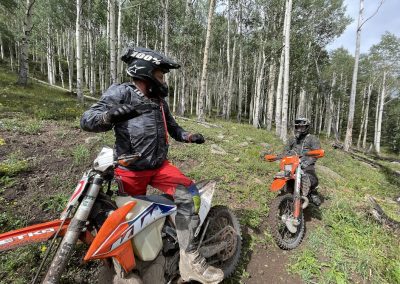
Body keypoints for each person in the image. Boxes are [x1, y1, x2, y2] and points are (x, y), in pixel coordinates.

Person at [80, 46, 224, 284]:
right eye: (160, 74)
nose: (163, 80)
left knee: (190, 194)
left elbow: (174, 128)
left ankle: (189, 258)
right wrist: (108, 117)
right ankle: (130, 268)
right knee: (129, 224)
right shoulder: (121, 92)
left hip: (159, 167)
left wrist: (188, 136)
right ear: (145, 71)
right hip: (129, 171)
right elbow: (87, 120)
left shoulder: (158, 101)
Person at [283, 118, 322, 206]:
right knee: (282, 175)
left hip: (306, 163)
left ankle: (313, 192)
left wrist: (307, 162)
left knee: (313, 178)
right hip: (292, 163)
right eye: (298, 127)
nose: (300, 128)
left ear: (307, 127)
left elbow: (317, 153)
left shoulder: (312, 138)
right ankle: (283, 193)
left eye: (302, 127)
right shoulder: (292, 139)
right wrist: (286, 156)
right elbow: (285, 150)